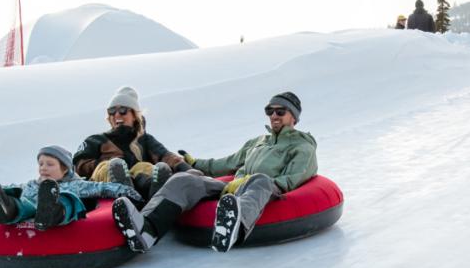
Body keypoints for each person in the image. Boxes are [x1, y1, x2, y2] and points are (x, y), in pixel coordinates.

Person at [111, 92, 318, 254]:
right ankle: (147, 229)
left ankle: (233, 230)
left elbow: (294, 178)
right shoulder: (258, 142)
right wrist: (194, 162)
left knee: (261, 180)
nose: (274, 115)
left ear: (293, 117)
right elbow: (227, 163)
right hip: (233, 188)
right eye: (269, 110)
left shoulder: (302, 146)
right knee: (184, 180)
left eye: (280, 111)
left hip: (263, 189)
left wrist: (253, 183)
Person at [0, 146, 142, 231]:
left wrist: (130, 193)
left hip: (59, 207)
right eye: (41, 164)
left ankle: (52, 211)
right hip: (32, 208)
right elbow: (11, 188)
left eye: (50, 164)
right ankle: (6, 211)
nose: (43, 168)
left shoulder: (75, 184)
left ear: (65, 169)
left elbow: (103, 188)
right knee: (19, 201)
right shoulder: (32, 184)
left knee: (67, 199)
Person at [71, 86, 187, 199]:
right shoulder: (95, 140)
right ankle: (123, 188)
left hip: (140, 187)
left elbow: (165, 156)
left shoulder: (144, 140)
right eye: (112, 111)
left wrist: (185, 168)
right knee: (109, 166)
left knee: (144, 167)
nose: (116, 115)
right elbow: (79, 165)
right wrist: (116, 164)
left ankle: (154, 190)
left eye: (123, 110)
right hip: (104, 189)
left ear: (134, 116)